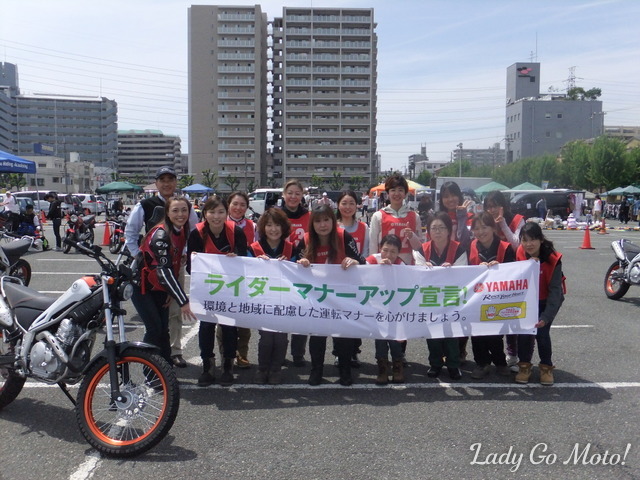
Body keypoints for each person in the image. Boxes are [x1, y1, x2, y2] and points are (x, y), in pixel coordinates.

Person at [125, 166, 199, 369]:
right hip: (146, 279)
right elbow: (130, 233)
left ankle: (166, 365)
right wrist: (139, 255)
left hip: (167, 275)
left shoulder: (181, 217)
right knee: (155, 328)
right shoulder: (157, 229)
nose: (181, 214)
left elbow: (194, 232)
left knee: (165, 324)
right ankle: (151, 371)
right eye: (162, 179)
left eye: (171, 179)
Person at [296, 204, 364, 386]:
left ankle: (345, 369)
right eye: (317, 221)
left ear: (332, 221)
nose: (323, 224)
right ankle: (316, 370)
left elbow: (362, 262)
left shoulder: (344, 236)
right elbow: (292, 265)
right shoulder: (306, 240)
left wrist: (354, 260)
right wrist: (301, 263)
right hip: (317, 298)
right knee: (317, 335)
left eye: (326, 219)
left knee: (343, 336)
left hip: (342, 297)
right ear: (312, 224)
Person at [187, 196, 248, 387]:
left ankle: (228, 365)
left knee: (229, 327)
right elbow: (190, 267)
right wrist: (197, 260)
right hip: (206, 289)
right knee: (206, 327)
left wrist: (235, 258)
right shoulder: (196, 233)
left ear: (226, 213)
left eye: (221, 212)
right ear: (204, 214)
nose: (216, 216)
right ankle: (208, 365)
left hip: (229, 288)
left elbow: (244, 261)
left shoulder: (236, 231)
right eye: (212, 212)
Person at [247, 208, 296, 385]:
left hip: (284, 301)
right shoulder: (254, 249)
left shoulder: (291, 248)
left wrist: (296, 263)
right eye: (268, 225)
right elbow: (244, 269)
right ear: (262, 227)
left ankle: (276, 369)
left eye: (277, 225)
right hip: (263, 301)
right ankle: (262, 368)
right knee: (266, 337)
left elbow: (301, 271)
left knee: (282, 337)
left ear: (283, 228)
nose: (273, 229)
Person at [419, 212, 468, 381]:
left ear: (449, 230)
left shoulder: (459, 249)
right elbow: (417, 275)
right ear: (429, 231)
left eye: (442, 228)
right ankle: (435, 363)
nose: (438, 232)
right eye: (434, 228)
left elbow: (463, 274)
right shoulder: (422, 250)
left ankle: (453, 365)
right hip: (430, 299)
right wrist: (423, 268)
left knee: (451, 334)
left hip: (451, 299)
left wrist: (452, 269)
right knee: (432, 334)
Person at [515, 222, 565, 386]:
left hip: (546, 300)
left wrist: (546, 316)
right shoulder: (520, 254)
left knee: (542, 334)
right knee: (523, 334)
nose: (528, 244)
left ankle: (546, 367)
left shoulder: (553, 259)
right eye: (524, 240)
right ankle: (524, 366)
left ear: (541, 240)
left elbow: (555, 292)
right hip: (527, 301)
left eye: (533, 240)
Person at [468, 212, 515, 379]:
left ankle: (500, 361)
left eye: (484, 227)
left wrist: (500, 268)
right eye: (476, 228)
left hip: (498, 298)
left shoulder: (506, 247)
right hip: (476, 298)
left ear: (493, 228)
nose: (480, 232)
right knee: (476, 333)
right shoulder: (471, 246)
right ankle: (482, 363)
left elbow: (513, 274)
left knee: (495, 332)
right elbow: (463, 272)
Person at [216, 191, 256, 370]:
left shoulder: (252, 225)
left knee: (244, 321)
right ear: (228, 205)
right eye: (235, 204)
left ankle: (242, 354)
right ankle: (225, 355)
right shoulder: (219, 223)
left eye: (242, 205)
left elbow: (256, 248)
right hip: (223, 278)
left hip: (245, 277)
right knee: (223, 319)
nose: (238, 208)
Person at [334, 190, 369, 368]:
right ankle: (338, 353)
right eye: (344, 203)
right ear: (338, 205)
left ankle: (355, 350)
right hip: (336, 279)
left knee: (355, 315)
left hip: (357, 277)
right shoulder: (331, 226)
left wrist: (358, 262)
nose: (347, 207)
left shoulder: (363, 228)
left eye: (351, 203)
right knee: (337, 315)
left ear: (357, 206)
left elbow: (367, 254)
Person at [365, 234, 406, 385]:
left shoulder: (401, 265)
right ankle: (382, 367)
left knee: (395, 339)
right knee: (380, 339)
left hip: (394, 309)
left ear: (398, 253)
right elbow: (362, 277)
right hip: (377, 309)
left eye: (393, 252)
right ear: (380, 249)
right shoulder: (371, 260)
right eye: (385, 250)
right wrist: (379, 269)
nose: (388, 255)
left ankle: (398, 366)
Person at [279, 179, 310, 367]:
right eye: (290, 193)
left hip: (303, 269)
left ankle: (298, 353)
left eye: (297, 193)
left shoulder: (310, 216)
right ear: (284, 194)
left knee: (302, 310)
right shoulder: (275, 215)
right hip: (281, 267)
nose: (293, 196)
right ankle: (280, 352)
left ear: (302, 196)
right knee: (280, 310)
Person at [369, 174, 423, 266]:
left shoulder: (414, 216)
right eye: (393, 190)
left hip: (407, 267)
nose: (396, 194)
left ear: (405, 194)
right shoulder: (378, 216)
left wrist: (411, 236)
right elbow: (373, 245)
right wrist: (373, 266)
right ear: (387, 194)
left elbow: (419, 247)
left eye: (400, 190)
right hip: (384, 265)